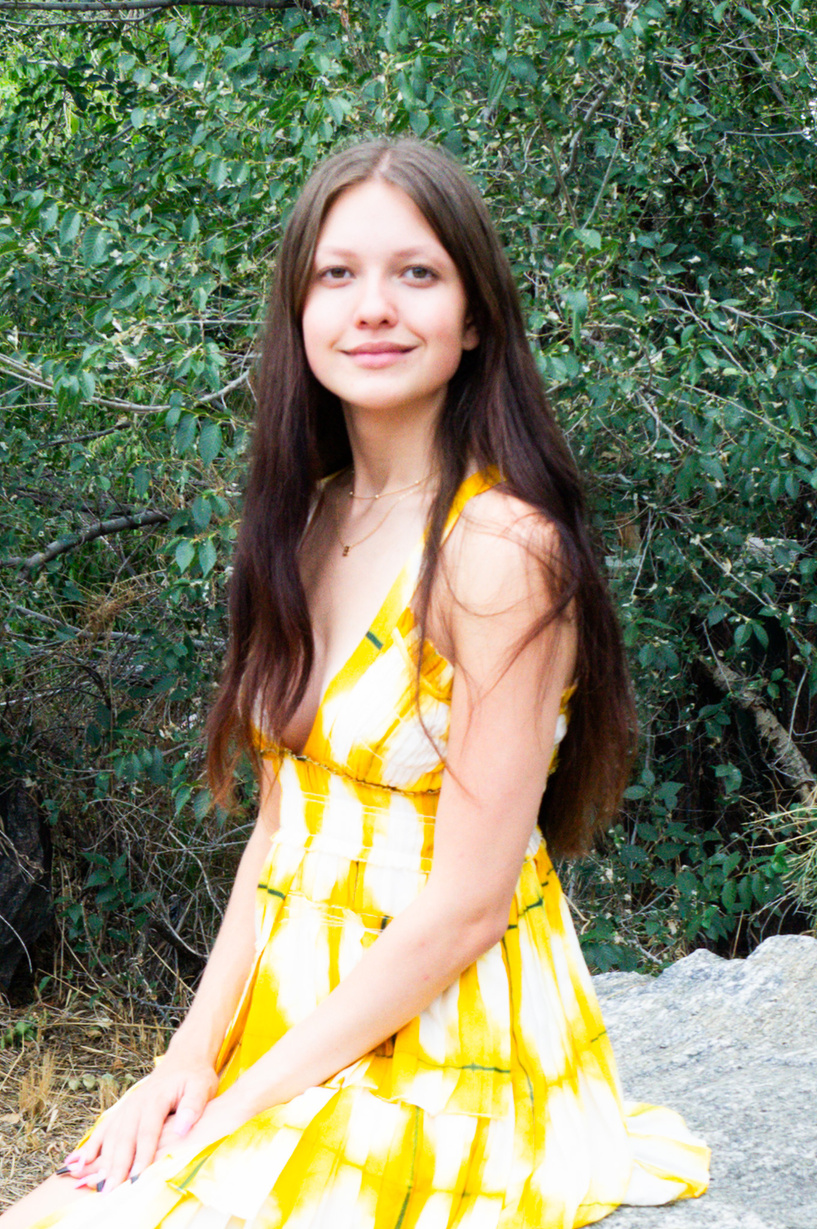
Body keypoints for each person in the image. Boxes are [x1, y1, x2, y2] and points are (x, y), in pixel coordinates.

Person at [3, 138, 709, 1229]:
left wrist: (243, 1102)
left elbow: (469, 903)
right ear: (298, 310)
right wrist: (186, 1060)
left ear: (474, 316)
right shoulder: (313, 514)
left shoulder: (498, 550)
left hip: (451, 1044)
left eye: (416, 273)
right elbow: (284, 824)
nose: (372, 305)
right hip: (296, 1015)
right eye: (338, 274)